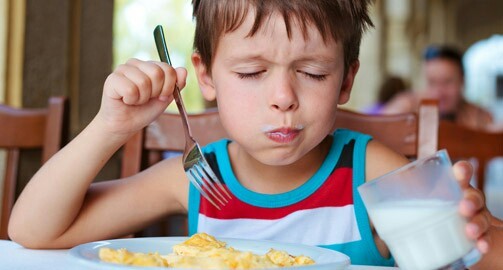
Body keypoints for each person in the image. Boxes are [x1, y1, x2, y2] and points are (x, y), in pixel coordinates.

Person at [7, 1, 501, 268]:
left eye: (311, 72)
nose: (283, 97)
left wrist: (478, 228)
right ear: (206, 76)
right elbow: (34, 231)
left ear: (346, 80)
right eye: (250, 73)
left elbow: (474, 255)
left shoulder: (371, 173)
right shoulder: (198, 178)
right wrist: (108, 128)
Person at [381, 45, 495, 131]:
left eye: (448, 82)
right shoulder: (404, 108)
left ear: (463, 81)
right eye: (432, 83)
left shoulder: (480, 118)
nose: (439, 92)